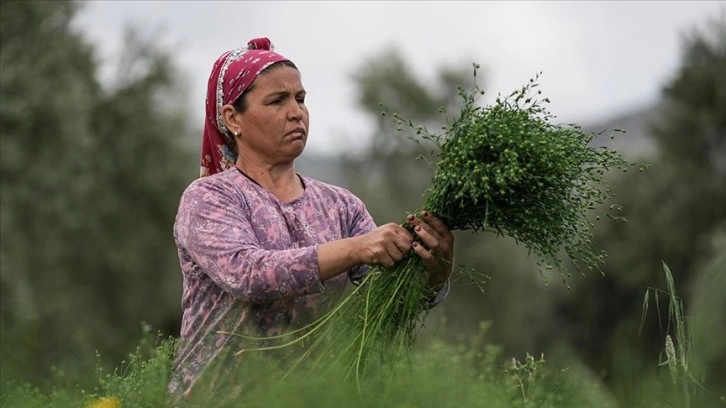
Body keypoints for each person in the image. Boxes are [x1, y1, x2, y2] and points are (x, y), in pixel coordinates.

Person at [169, 37, 455, 399]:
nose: (296, 112)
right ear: (232, 118)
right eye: (277, 101)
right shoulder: (210, 198)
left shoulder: (340, 205)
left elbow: (384, 299)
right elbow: (249, 274)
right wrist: (357, 249)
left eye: (300, 99)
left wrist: (434, 272)